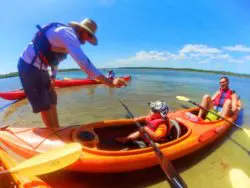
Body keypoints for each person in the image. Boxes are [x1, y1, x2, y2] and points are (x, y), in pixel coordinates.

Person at [18, 18, 127, 128]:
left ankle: (57, 129)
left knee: (52, 98)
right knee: (44, 105)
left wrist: (53, 79)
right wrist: (110, 82)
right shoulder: (68, 33)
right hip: (28, 65)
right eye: (89, 36)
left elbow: (54, 61)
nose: (87, 41)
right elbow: (84, 63)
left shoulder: (66, 42)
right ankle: (54, 134)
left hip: (43, 68)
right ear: (82, 30)